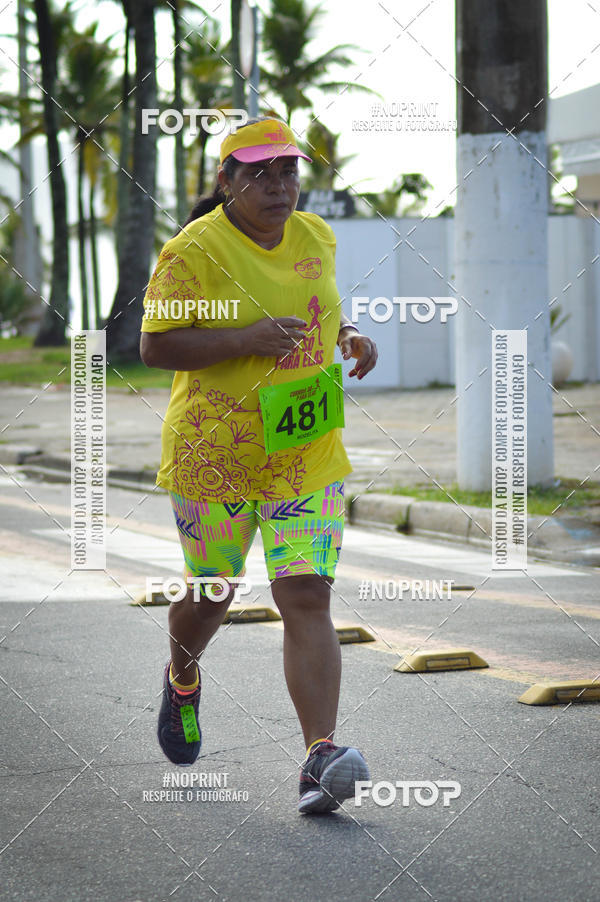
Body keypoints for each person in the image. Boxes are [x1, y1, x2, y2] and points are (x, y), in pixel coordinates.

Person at [140, 117, 378, 814]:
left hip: (304, 450)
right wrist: (244, 338)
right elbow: (155, 347)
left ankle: (319, 757)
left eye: (288, 171)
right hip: (215, 454)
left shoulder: (316, 235)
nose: (278, 186)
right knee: (213, 593)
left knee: (306, 593)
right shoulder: (193, 250)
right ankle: (183, 678)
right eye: (259, 173)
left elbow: (321, 306)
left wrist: (349, 332)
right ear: (227, 181)